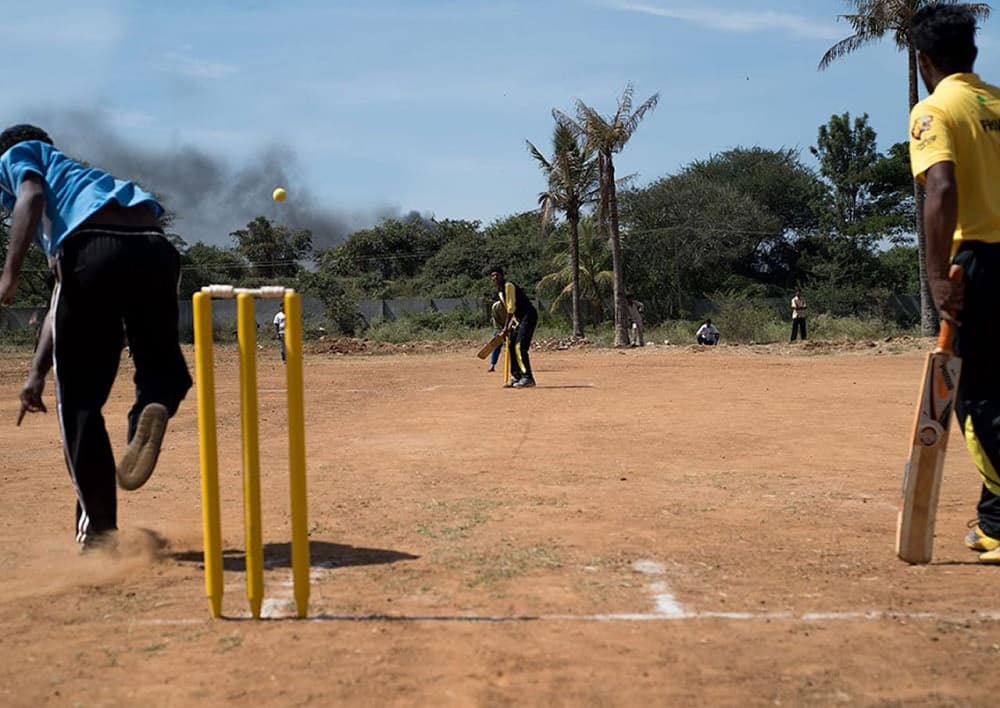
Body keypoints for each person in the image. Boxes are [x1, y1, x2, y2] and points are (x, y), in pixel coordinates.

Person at [0, 124, 192, 549]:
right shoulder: (83, 184)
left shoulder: (22, 156)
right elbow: (59, 299)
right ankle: (153, 404)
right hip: (155, 249)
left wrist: (9, 275)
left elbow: (28, 195)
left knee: (82, 403)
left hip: (94, 253)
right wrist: (35, 374)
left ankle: (101, 534)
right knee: (161, 367)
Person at [908, 4, 1000, 563]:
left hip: (979, 265)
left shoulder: (935, 110)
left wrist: (938, 276)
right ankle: (993, 522)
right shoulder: (997, 102)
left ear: (924, 60)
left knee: (975, 399)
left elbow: (940, 189)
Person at [489, 266, 538, 388]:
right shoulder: (500, 292)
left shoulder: (508, 286)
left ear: (502, 275)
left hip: (528, 316)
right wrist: (509, 328)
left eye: (497, 275)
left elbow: (511, 309)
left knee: (519, 346)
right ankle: (516, 375)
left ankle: (527, 377)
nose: (495, 278)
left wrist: (505, 328)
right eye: (492, 276)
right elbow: (512, 312)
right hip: (519, 319)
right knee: (511, 345)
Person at [487, 298, 505, 372]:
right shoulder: (495, 306)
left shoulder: (512, 305)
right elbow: (496, 320)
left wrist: (508, 329)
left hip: (511, 326)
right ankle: (492, 364)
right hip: (499, 327)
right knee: (496, 344)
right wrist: (500, 331)